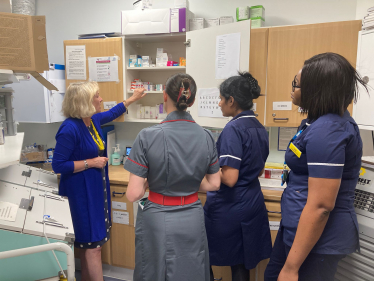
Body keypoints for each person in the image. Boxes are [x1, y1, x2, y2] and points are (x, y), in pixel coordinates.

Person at [264, 52, 368, 281]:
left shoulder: (328, 130)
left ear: (316, 91)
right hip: (298, 228)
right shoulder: (319, 122)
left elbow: (321, 206)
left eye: (297, 85)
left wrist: (291, 268)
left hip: (318, 242)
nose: (293, 89)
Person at [124, 73, 221, 281]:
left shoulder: (148, 136)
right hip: (193, 217)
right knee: (191, 270)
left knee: (155, 272)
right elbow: (214, 183)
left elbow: (133, 194)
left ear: (164, 96)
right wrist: (191, 179)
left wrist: (149, 180)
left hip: (158, 218)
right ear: (192, 101)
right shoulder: (206, 137)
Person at [52, 82, 146, 281]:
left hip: (94, 190)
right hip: (80, 194)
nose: (101, 99)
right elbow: (58, 165)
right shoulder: (70, 128)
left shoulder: (91, 120)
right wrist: (90, 162)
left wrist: (132, 99)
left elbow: (112, 113)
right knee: (93, 247)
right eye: (97, 96)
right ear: (84, 102)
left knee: (92, 245)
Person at [204, 72, 272, 281]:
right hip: (252, 200)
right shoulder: (259, 127)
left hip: (231, 205)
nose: (219, 103)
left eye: (222, 99)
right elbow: (258, 170)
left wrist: (206, 169)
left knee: (205, 252)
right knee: (241, 261)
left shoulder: (233, 128)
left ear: (231, 100)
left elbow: (230, 178)